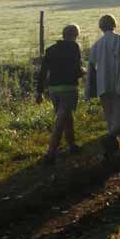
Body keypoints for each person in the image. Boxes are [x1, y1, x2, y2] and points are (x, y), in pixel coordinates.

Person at [36, 24, 84, 165]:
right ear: (75, 35)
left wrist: (39, 91)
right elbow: (77, 69)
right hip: (68, 89)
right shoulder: (74, 47)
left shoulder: (50, 50)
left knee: (66, 117)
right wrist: (85, 72)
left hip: (53, 90)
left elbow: (43, 72)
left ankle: (72, 145)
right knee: (60, 121)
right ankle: (51, 152)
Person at [86, 14, 120, 160]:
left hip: (102, 83)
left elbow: (91, 66)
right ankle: (110, 138)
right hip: (119, 81)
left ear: (101, 27)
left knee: (110, 115)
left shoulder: (96, 45)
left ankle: (112, 148)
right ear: (114, 25)